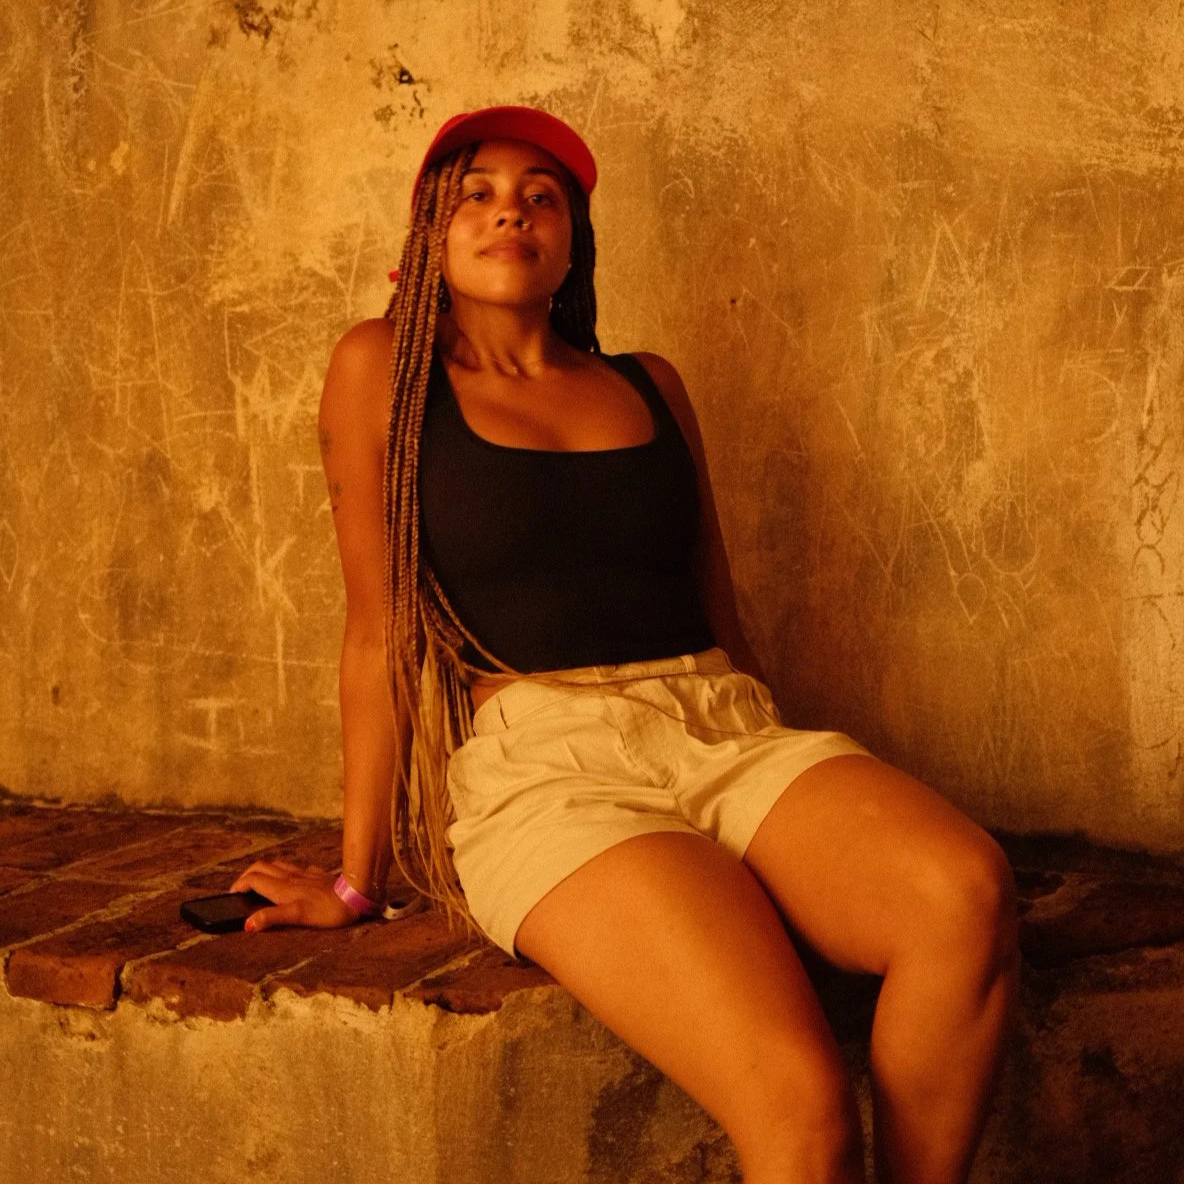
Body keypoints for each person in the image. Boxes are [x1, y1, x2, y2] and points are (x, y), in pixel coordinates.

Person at [229, 105, 1021, 1184]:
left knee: (961, 889)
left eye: (541, 194)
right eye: (476, 190)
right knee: (798, 1101)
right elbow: (375, 632)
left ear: (571, 242)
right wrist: (355, 879)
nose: (512, 205)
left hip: (722, 729)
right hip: (549, 769)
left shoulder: (650, 382)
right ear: (426, 235)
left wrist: (790, 809)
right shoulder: (385, 372)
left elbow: (721, 614)